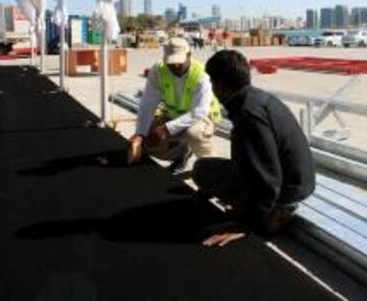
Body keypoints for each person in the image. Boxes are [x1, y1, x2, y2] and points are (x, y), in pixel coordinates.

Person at [193, 50, 316, 248]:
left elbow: (268, 178)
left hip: (286, 194)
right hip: (296, 181)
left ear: (220, 86)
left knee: (202, 171)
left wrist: (245, 225)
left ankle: (272, 217)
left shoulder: (248, 115)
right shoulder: (254, 98)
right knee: (205, 169)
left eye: (212, 83)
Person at [127, 37, 222, 174]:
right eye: (171, 63)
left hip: (203, 119)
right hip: (173, 117)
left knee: (194, 133)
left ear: (189, 55)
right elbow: (147, 103)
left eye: (179, 62)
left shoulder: (201, 74)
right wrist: (140, 133)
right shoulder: (158, 71)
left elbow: (199, 112)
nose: (175, 67)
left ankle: (213, 169)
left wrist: (166, 129)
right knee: (147, 142)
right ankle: (182, 153)